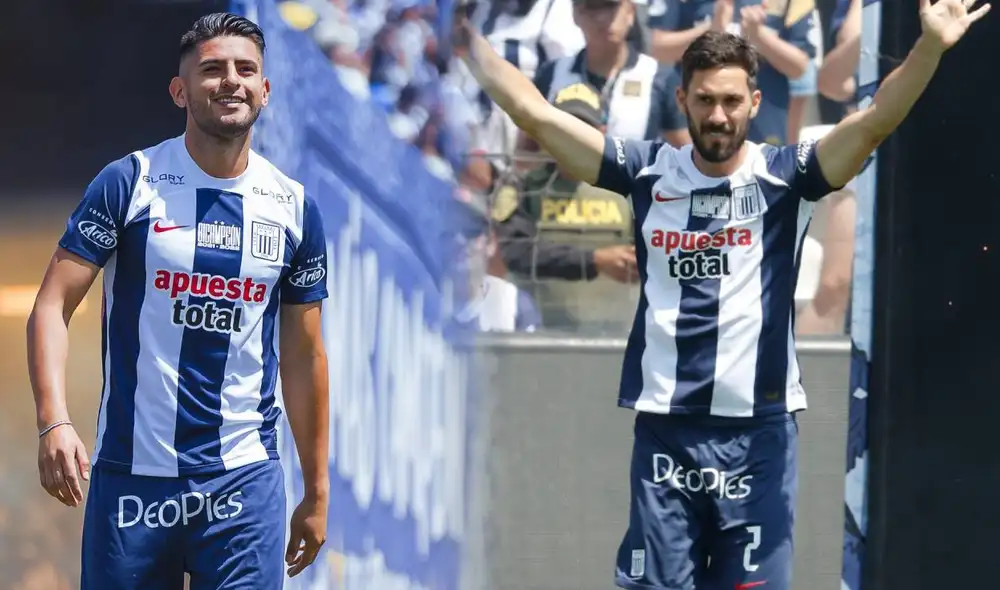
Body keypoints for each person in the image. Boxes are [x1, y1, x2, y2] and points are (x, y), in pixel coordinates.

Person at [451, 0, 988, 586]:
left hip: (758, 436)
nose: (718, 115)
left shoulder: (788, 176)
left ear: (754, 104)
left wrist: (929, 48)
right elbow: (535, 114)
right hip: (667, 432)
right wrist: (460, 37)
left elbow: (875, 120)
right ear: (682, 102)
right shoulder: (647, 172)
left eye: (732, 101)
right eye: (704, 100)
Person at [26, 13, 330, 589]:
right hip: (133, 481)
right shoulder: (129, 182)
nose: (231, 81)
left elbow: (305, 355)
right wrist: (53, 421)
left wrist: (316, 491)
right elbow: (50, 307)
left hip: (244, 482)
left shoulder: (294, 209)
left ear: (265, 90)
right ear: (179, 90)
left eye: (246, 70)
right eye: (211, 69)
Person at [494, 81, 639, 330]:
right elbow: (515, 253)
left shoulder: (632, 187)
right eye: (562, 127)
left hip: (617, 340)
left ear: (602, 131)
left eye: (583, 127)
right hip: (541, 337)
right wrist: (594, 260)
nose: (571, 137)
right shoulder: (523, 187)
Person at [648, 0, 817, 145]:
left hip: (765, 134)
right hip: (695, 133)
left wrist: (758, 37)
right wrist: (710, 30)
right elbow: (659, 47)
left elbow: (799, 67)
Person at [532, 0, 690, 147]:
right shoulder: (551, 74)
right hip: (564, 176)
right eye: (592, 8)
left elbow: (687, 156)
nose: (602, 18)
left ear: (630, 11)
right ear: (575, 15)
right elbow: (525, 155)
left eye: (611, 6)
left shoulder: (658, 77)